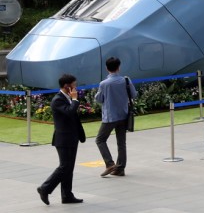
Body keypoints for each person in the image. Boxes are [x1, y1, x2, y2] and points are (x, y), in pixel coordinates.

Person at [38, 74, 86, 205]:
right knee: (64, 166)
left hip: (72, 137)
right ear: (67, 86)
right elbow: (70, 112)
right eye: (74, 85)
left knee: (69, 167)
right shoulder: (58, 100)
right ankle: (45, 188)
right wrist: (75, 100)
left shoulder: (67, 98)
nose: (76, 88)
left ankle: (67, 195)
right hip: (63, 139)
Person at [96, 56, 137, 178]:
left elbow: (99, 99)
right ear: (119, 67)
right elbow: (134, 94)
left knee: (100, 139)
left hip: (110, 116)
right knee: (121, 143)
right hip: (123, 115)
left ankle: (109, 163)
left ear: (106, 68)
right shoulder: (126, 80)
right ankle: (120, 168)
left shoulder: (104, 84)